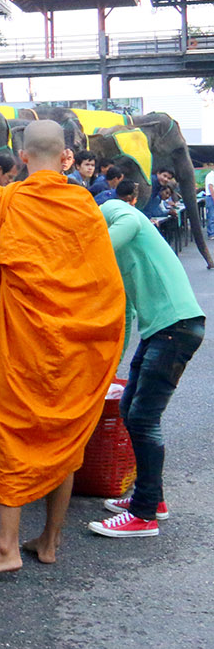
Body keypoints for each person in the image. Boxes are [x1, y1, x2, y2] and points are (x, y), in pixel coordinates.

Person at [0, 120, 126, 581]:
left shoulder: (2, 201)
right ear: (67, 157)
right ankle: (48, 542)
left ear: (23, 157)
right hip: (76, 342)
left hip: (26, 338)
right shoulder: (85, 206)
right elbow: (103, 280)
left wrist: (15, 296)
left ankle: (7, 546)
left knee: (13, 428)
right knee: (63, 435)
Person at [87, 180, 205, 538]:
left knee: (142, 418)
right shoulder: (123, 248)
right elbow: (128, 309)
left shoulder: (115, 212)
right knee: (130, 410)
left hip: (175, 327)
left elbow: (124, 227)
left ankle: (144, 516)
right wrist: (112, 365)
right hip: (163, 330)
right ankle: (152, 498)